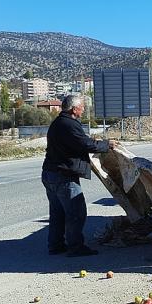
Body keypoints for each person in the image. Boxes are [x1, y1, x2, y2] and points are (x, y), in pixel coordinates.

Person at [42, 95, 117, 256]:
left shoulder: (59, 123)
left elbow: (78, 142)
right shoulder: (68, 124)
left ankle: (55, 245)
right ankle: (76, 247)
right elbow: (84, 144)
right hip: (63, 176)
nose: (83, 110)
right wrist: (106, 145)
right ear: (74, 109)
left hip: (51, 173)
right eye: (82, 107)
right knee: (76, 212)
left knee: (57, 212)